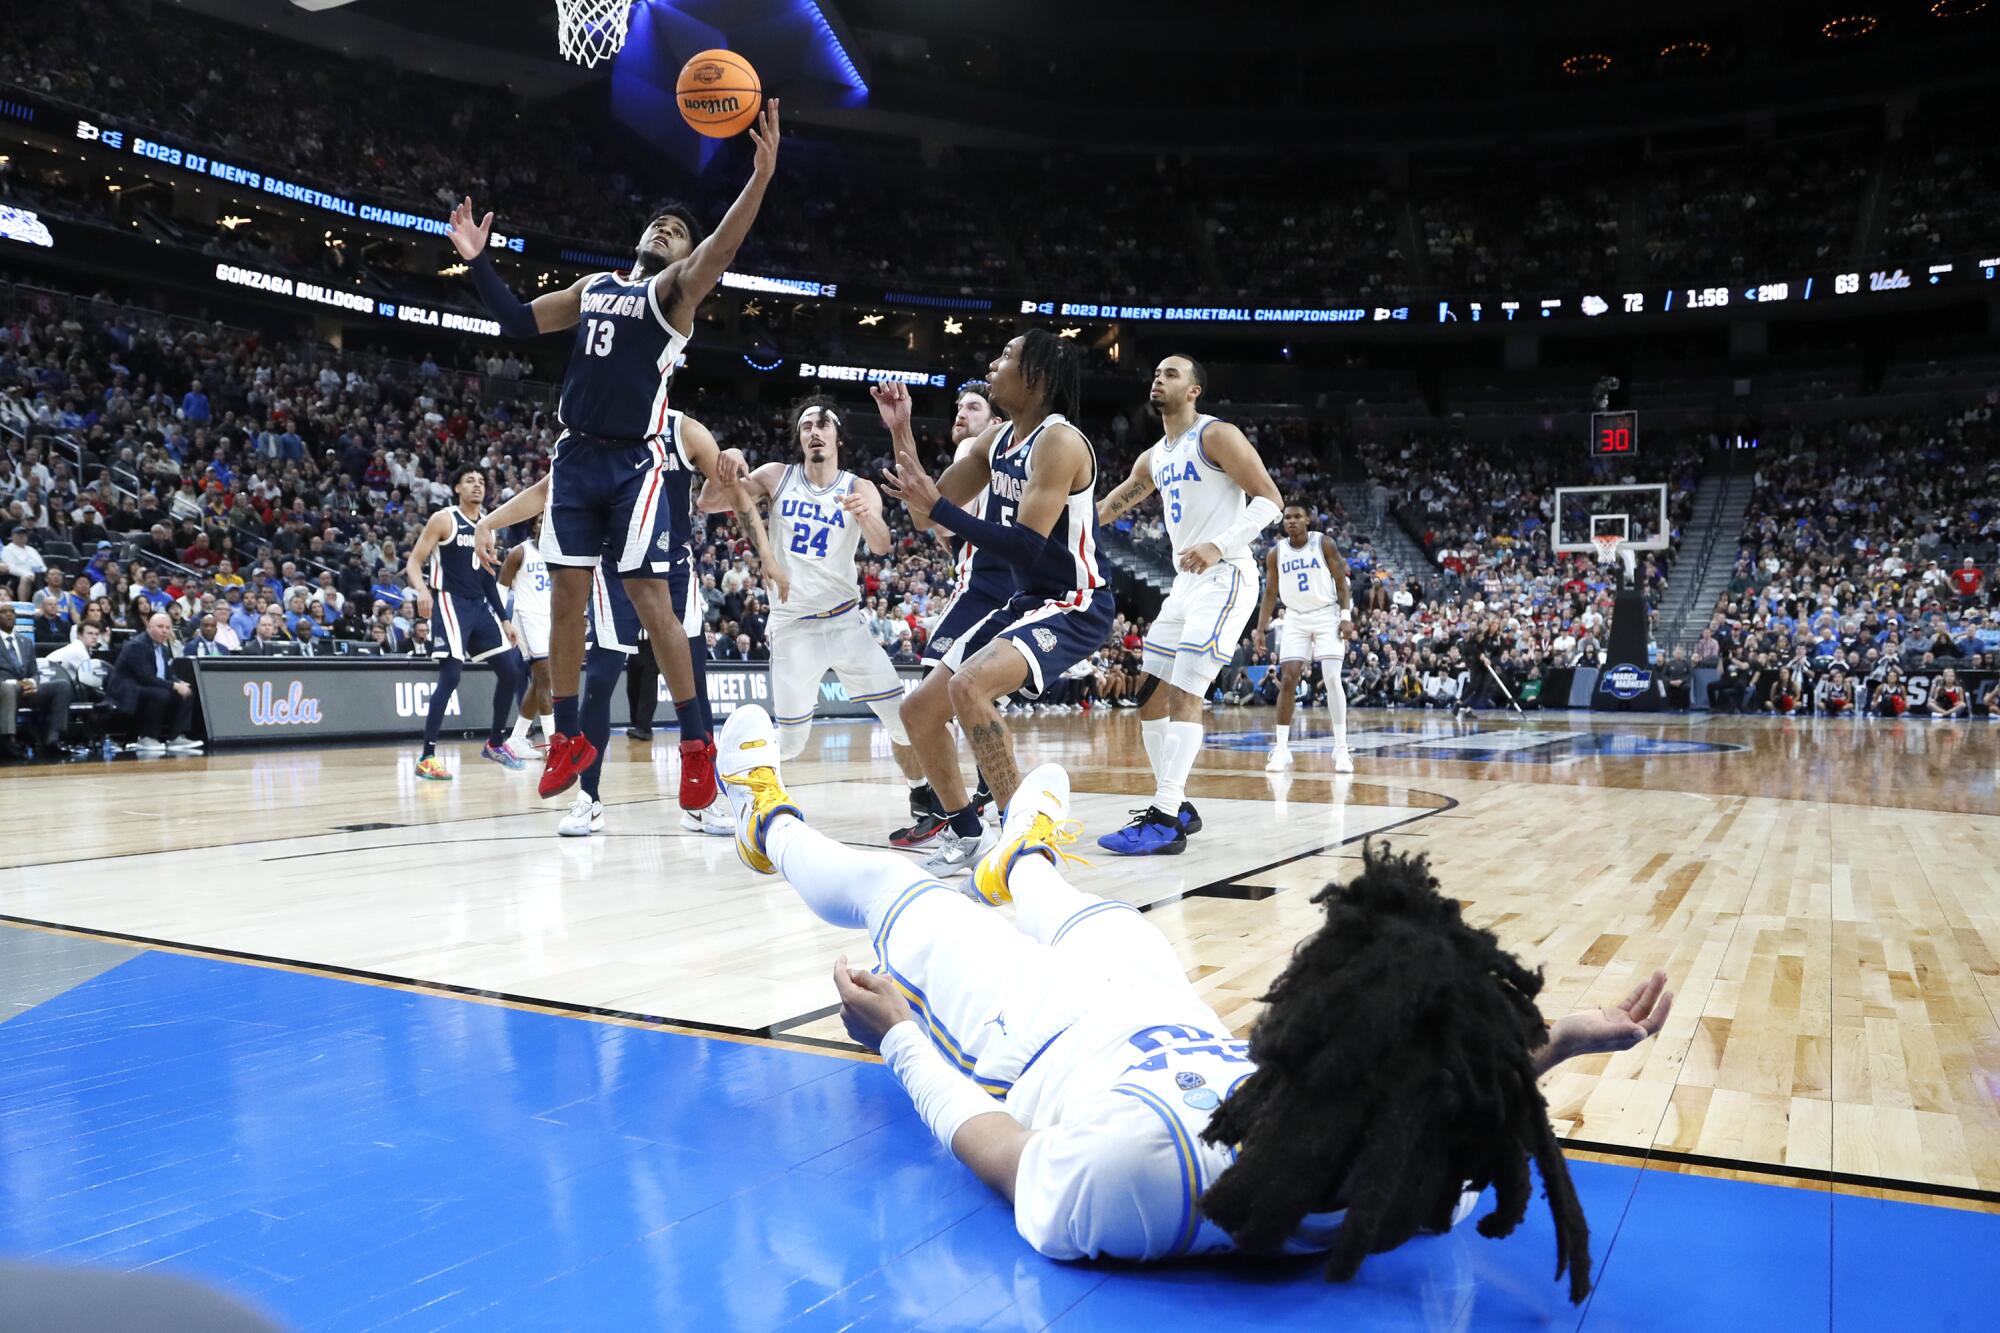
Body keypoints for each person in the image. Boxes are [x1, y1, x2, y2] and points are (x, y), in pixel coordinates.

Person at [712, 702, 1671, 1295]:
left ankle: (766, 818)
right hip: (1162, 1013)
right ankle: (1023, 861)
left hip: (1034, 1041)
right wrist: (1543, 1047)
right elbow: (1452, 1103)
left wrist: (902, 1038)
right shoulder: (1414, 1177)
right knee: (1093, 912)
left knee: (896, 893)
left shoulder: (1142, 1174)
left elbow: (1012, 1160)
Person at [450, 100, 782, 809]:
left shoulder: (674, 293)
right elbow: (515, 321)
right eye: (659, 222)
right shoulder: (594, 288)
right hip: (573, 458)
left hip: (635, 464)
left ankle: (696, 744)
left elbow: (721, 247)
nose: (665, 229)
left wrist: (758, 179)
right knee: (568, 597)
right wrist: (480, 264)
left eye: (679, 231)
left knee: (650, 598)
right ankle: (567, 734)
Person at [873, 332, 1114, 877]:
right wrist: (901, 430)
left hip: (1077, 601)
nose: (992, 361)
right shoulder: (997, 441)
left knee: (968, 687)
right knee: (917, 712)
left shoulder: (1060, 442)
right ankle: (965, 832)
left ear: (1037, 377)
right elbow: (923, 512)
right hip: (1028, 598)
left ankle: (1019, 837)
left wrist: (940, 508)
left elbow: (1028, 543)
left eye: (1005, 356)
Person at [1093, 356, 1284, 855]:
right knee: (1149, 696)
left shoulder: (1215, 435)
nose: (1158, 378)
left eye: (1171, 374)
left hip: (1224, 574)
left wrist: (1220, 544)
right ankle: (1174, 804)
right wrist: (1060, 525)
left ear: (1195, 390)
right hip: (1185, 583)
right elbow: (1109, 507)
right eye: (1154, 372)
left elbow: (1270, 500)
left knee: (1184, 694)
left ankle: (1163, 817)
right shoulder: (1154, 456)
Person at [700, 395, 927, 792]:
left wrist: (866, 516)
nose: (814, 432)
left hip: (845, 624)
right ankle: (725, 779)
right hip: (793, 626)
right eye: (807, 426)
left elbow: (881, 545)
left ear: (838, 437)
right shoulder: (776, 476)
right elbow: (709, 501)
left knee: (902, 719)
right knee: (790, 743)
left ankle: (924, 797)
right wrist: (726, 460)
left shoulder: (860, 486)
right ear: (800, 439)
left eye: (823, 425)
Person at [895, 380, 1009, 847]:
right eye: (959, 407)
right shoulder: (1006, 460)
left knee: (927, 700)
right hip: (1004, 582)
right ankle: (994, 797)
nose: (961, 414)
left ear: (995, 422)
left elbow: (927, 514)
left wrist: (900, 428)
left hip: (984, 585)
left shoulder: (972, 454)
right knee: (973, 696)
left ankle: (957, 815)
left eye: (974, 407)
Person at [404, 468, 527, 780]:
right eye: (470, 480)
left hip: (478, 606)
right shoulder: (443, 519)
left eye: (482, 481)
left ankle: (495, 744)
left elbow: (488, 581)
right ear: (457, 487)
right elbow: (414, 562)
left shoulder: (488, 527)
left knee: (511, 672)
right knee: (451, 676)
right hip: (449, 601)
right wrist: (422, 590)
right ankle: (427, 756)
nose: (477, 486)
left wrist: (505, 619)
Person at [1252, 504, 1353, 774]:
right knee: (1288, 677)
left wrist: (1346, 615)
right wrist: (1261, 629)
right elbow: (1270, 593)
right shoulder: (1276, 553)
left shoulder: (1324, 543)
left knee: (1332, 678)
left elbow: (1342, 582)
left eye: (1298, 516)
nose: (1292, 521)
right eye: (1288, 517)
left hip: (1327, 613)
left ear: (1308, 519)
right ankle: (1282, 749)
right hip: (1295, 617)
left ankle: (1341, 748)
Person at [498, 514, 556, 753]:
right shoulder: (519, 552)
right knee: (546, 679)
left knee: (540, 681)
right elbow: (501, 588)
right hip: (526, 617)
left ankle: (516, 739)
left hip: (550, 619)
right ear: (534, 526)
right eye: (540, 521)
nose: (544, 524)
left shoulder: (558, 553)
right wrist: (502, 622)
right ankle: (555, 744)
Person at [107, 611, 202, 755]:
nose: (164, 631)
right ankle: (147, 737)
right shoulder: (137, 646)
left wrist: (178, 682)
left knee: (186, 692)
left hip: (147, 686)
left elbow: (167, 674)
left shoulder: (163, 649)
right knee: (161, 694)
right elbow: (146, 678)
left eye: (167, 627)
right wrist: (174, 685)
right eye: (160, 626)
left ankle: (175, 737)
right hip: (128, 689)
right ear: (149, 628)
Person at [0, 602, 73, 760]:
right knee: (7, 688)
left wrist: (33, 682)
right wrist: (15, 683)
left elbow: (34, 671)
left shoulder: (25, 642)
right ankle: (7, 741)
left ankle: (53, 739)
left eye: (12, 612)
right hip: (4, 689)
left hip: (27, 690)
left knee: (62, 686)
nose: (8, 615)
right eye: (3, 612)